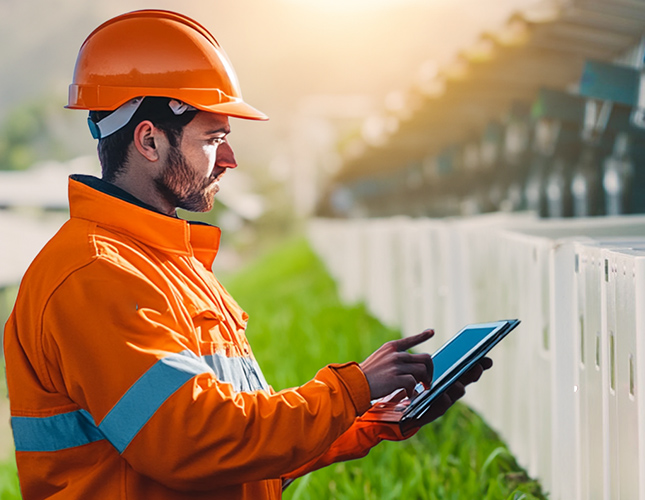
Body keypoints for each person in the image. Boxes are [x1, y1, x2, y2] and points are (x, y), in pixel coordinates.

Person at [3, 9, 491, 500]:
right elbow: (195, 442)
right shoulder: (94, 275)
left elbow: (244, 446)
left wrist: (373, 413)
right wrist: (349, 390)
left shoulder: (167, 263)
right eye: (214, 139)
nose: (231, 159)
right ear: (149, 139)